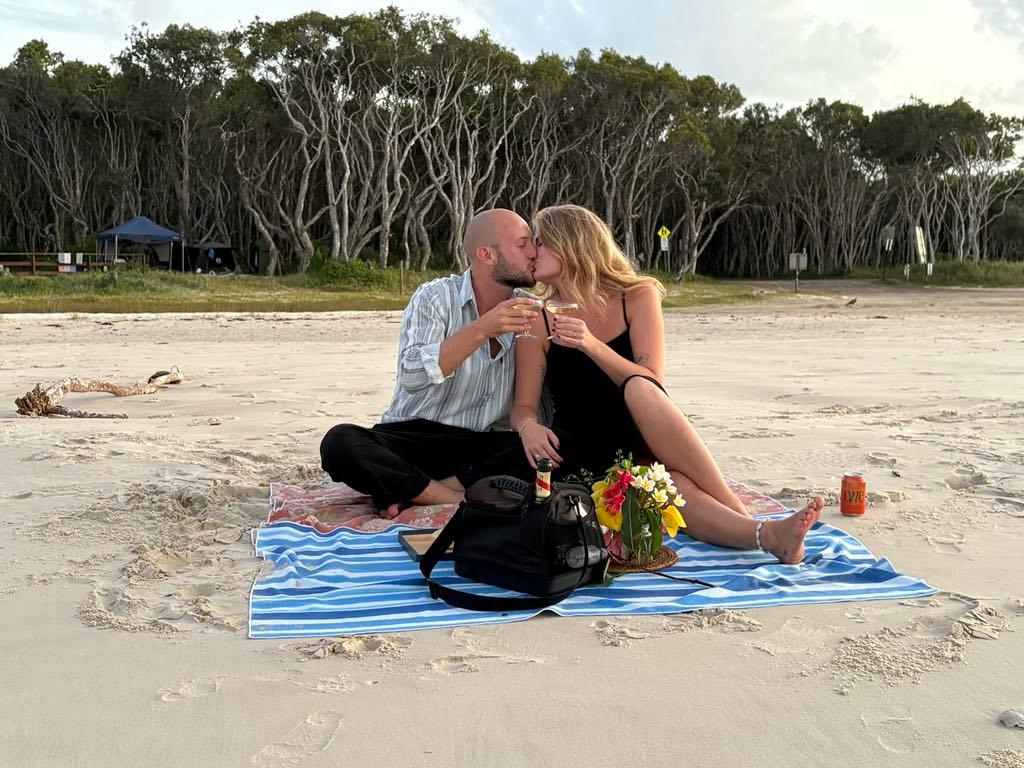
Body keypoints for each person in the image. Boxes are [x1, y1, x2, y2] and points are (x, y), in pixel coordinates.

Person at [509, 204, 823, 564]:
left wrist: (591, 345)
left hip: (646, 430)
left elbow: (651, 380)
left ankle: (737, 508)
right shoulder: (538, 319)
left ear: (572, 244)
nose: (533, 252)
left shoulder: (637, 295)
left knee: (640, 389)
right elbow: (522, 408)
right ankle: (767, 536)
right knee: (668, 487)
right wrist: (528, 427)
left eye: (541, 241)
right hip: (587, 444)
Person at [320, 208, 559, 518]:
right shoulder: (435, 298)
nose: (533, 253)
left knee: (543, 449)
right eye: (523, 243)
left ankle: (413, 493)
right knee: (339, 443)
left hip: (480, 448)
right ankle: (453, 497)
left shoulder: (533, 312)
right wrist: (483, 328)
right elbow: (413, 376)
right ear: (486, 254)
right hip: (413, 438)